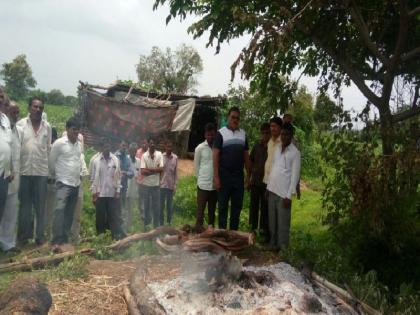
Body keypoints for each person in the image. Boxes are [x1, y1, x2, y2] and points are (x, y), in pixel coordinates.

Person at [17, 97, 52, 246]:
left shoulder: (47, 127)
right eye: (35, 107)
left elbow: (48, 150)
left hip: (41, 173)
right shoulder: (21, 125)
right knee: (25, 207)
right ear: (29, 108)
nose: (38, 110)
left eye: (40, 108)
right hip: (24, 172)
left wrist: (50, 173)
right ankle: (23, 237)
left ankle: (39, 237)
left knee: (40, 207)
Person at [213, 107, 251, 230]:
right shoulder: (221, 133)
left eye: (237, 118)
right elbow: (215, 156)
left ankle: (234, 234)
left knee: (237, 208)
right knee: (223, 206)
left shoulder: (243, 134)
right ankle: (222, 235)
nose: (235, 120)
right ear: (228, 117)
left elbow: (246, 157)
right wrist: (216, 178)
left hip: (238, 177)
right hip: (224, 176)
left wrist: (248, 176)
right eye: (233, 117)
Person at [49, 118, 83, 246]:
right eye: (74, 129)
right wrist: (56, 176)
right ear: (67, 129)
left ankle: (64, 237)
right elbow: (51, 162)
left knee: (69, 212)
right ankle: (56, 238)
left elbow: (78, 161)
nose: (76, 132)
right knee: (59, 211)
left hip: (75, 183)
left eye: (78, 130)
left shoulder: (79, 145)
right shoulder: (59, 143)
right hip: (63, 183)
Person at [267, 123, 301, 250]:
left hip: (284, 195)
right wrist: (268, 188)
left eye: (287, 134)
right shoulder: (277, 148)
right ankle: (273, 244)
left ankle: (283, 250)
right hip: (272, 190)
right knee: (272, 222)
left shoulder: (295, 153)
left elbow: (295, 176)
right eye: (283, 134)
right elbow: (274, 168)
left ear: (291, 136)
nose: (284, 137)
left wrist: (289, 196)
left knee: (283, 224)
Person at [90, 138, 125, 239]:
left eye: (108, 146)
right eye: (105, 146)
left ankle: (114, 237)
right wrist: (93, 194)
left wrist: (118, 191)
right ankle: (101, 237)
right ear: (101, 147)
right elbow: (92, 178)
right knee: (100, 217)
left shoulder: (115, 160)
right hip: (100, 194)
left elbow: (118, 177)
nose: (107, 148)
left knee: (113, 217)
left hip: (112, 193)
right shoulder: (95, 160)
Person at [0, 101, 21, 252]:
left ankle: (8, 243)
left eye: (17, 112)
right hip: (2, 175)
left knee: (11, 213)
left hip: (13, 178)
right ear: (6, 111)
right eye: (13, 112)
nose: (15, 115)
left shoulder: (18, 130)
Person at [249, 123, 270, 241]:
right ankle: (252, 230)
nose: (265, 135)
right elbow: (250, 161)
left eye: (268, 133)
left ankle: (263, 232)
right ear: (261, 133)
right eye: (263, 133)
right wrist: (250, 177)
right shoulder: (257, 146)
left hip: (267, 184)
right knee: (253, 207)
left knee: (265, 208)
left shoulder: (273, 147)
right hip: (255, 182)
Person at [194, 123, 217, 231]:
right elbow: (196, 167)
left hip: (214, 187)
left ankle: (210, 233)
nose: (210, 137)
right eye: (208, 135)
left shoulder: (218, 148)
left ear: (215, 134)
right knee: (200, 212)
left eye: (212, 135)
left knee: (212, 212)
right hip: (202, 186)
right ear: (205, 135)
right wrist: (200, 180)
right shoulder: (199, 148)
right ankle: (198, 232)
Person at [140, 138, 163, 228]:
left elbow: (161, 169)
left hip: (156, 185)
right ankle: (146, 225)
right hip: (146, 185)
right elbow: (142, 171)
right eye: (151, 143)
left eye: (154, 143)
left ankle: (156, 227)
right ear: (148, 144)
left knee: (156, 207)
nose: (152, 144)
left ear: (155, 144)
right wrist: (155, 171)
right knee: (146, 206)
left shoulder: (159, 154)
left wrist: (148, 169)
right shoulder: (144, 156)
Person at [0, 91, 12, 223]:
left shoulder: (5, 119)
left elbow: (7, 146)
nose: (0, 99)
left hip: (3, 175)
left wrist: (9, 170)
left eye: (1, 96)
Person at [160, 141, 178, 225]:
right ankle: (161, 222)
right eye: (167, 147)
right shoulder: (161, 156)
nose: (169, 149)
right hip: (162, 185)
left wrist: (175, 186)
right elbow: (159, 171)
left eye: (170, 147)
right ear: (165, 147)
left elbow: (176, 173)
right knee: (161, 205)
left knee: (169, 206)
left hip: (170, 186)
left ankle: (169, 222)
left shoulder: (175, 158)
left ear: (172, 148)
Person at [263, 117, 282, 186]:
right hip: (268, 180)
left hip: (278, 182)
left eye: (275, 126)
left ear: (280, 128)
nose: (272, 129)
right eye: (271, 126)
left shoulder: (283, 143)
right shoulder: (270, 142)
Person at [115, 140, 131, 217]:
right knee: (115, 203)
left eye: (125, 146)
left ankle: (122, 221)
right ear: (119, 145)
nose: (124, 147)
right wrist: (119, 172)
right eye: (123, 145)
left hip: (124, 185)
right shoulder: (114, 156)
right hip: (115, 186)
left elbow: (132, 172)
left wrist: (125, 173)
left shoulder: (127, 158)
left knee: (122, 204)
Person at [125, 143, 139, 232]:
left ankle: (129, 228)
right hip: (124, 190)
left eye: (135, 151)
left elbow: (140, 175)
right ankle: (123, 228)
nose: (133, 153)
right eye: (131, 151)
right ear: (129, 151)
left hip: (134, 190)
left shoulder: (139, 161)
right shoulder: (125, 159)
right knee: (123, 209)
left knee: (131, 210)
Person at [135, 139, 148, 221]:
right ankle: (141, 213)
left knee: (147, 197)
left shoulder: (150, 153)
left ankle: (146, 212)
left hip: (148, 179)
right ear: (141, 143)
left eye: (145, 143)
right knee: (140, 197)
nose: (144, 144)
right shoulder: (138, 152)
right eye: (143, 143)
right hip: (139, 178)